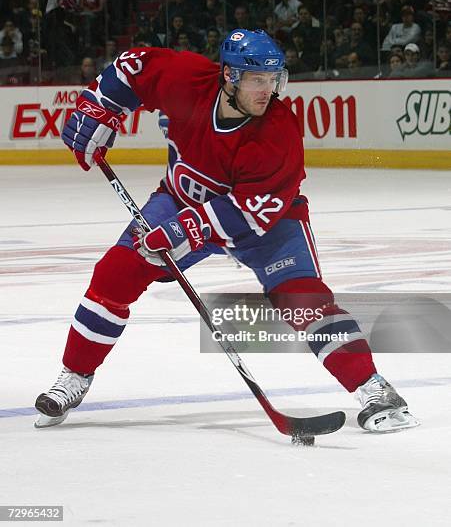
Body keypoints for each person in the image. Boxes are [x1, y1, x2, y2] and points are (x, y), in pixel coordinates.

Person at [34, 29, 418, 435]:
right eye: (257, 80)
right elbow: (134, 67)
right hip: (181, 199)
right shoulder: (188, 80)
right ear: (230, 76)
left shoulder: (278, 131)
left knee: (302, 300)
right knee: (115, 272)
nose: (267, 90)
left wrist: (190, 228)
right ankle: (74, 376)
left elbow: (253, 214)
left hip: (267, 224)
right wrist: (100, 106)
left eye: (273, 80)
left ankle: (374, 389)